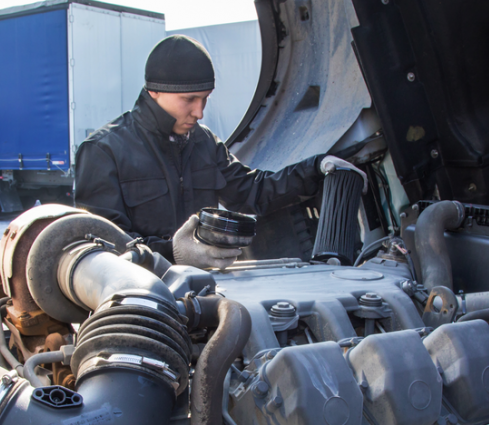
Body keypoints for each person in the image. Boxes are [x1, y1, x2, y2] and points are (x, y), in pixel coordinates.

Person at [73, 34, 357, 269]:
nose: (199, 111)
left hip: (207, 294)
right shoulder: (103, 151)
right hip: (145, 304)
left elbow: (254, 192)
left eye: (205, 99)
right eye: (189, 99)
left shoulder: (204, 142)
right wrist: (174, 253)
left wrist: (316, 168)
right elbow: (103, 249)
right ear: (154, 91)